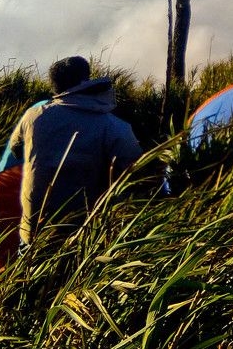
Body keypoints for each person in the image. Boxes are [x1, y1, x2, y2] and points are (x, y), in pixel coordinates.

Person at [9, 56, 142, 247]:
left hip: (32, 234)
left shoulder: (33, 117)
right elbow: (138, 171)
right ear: (85, 81)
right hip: (83, 239)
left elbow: (16, 150)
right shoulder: (113, 126)